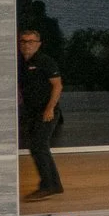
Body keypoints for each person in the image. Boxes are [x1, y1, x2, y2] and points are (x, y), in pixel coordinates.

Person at [18, 27, 63, 201]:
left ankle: (48, 186)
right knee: (37, 147)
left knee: (39, 146)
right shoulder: (21, 62)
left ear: (38, 44)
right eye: (23, 41)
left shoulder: (45, 61)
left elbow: (57, 86)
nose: (27, 45)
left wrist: (50, 109)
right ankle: (54, 185)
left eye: (31, 41)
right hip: (30, 111)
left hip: (47, 112)